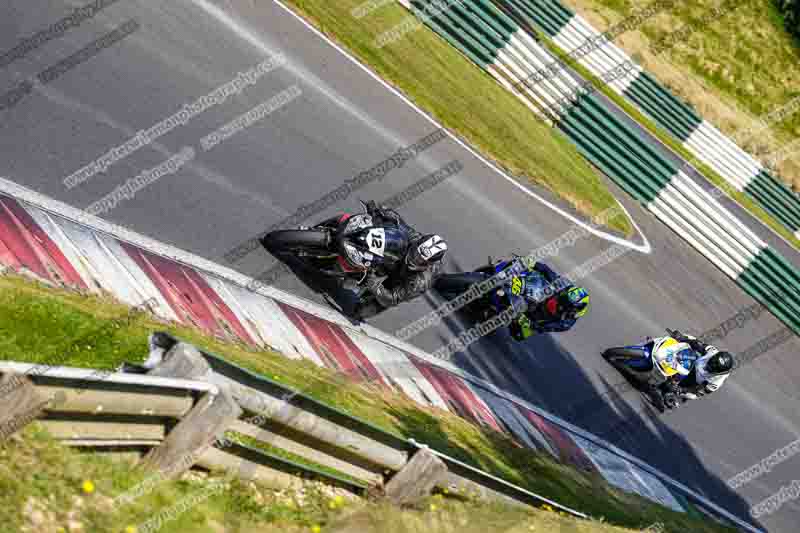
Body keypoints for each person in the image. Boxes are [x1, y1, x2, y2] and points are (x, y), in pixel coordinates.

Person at [360, 201, 447, 315]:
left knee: (364, 310)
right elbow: (401, 225)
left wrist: (375, 286)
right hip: (397, 261)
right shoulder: (416, 239)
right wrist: (382, 212)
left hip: (402, 280)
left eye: (420, 259)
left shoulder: (420, 282)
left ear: (428, 264)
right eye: (416, 252)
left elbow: (393, 298)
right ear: (418, 243)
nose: (415, 258)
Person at [508, 261, 590, 341]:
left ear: (574, 310)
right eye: (564, 297)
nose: (563, 302)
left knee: (518, 334)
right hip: (539, 297)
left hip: (538, 318)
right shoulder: (564, 287)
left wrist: (531, 324)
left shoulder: (567, 322)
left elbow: (546, 327)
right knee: (522, 272)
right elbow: (547, 271)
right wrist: (533, 263)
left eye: (567, 303)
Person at [667, 331, 735, 402]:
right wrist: (682, 337)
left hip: (693, 382)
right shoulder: (712, 351)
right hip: (691, 364)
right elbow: (696, 343)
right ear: (714, 356)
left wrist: (682, 390)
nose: (711, 365)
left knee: (691, 396)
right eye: (712, 361)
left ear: (720, 371)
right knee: (688, 352)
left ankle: (671, 393)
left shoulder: (717, 380)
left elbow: (698, 393)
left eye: (714, 367)